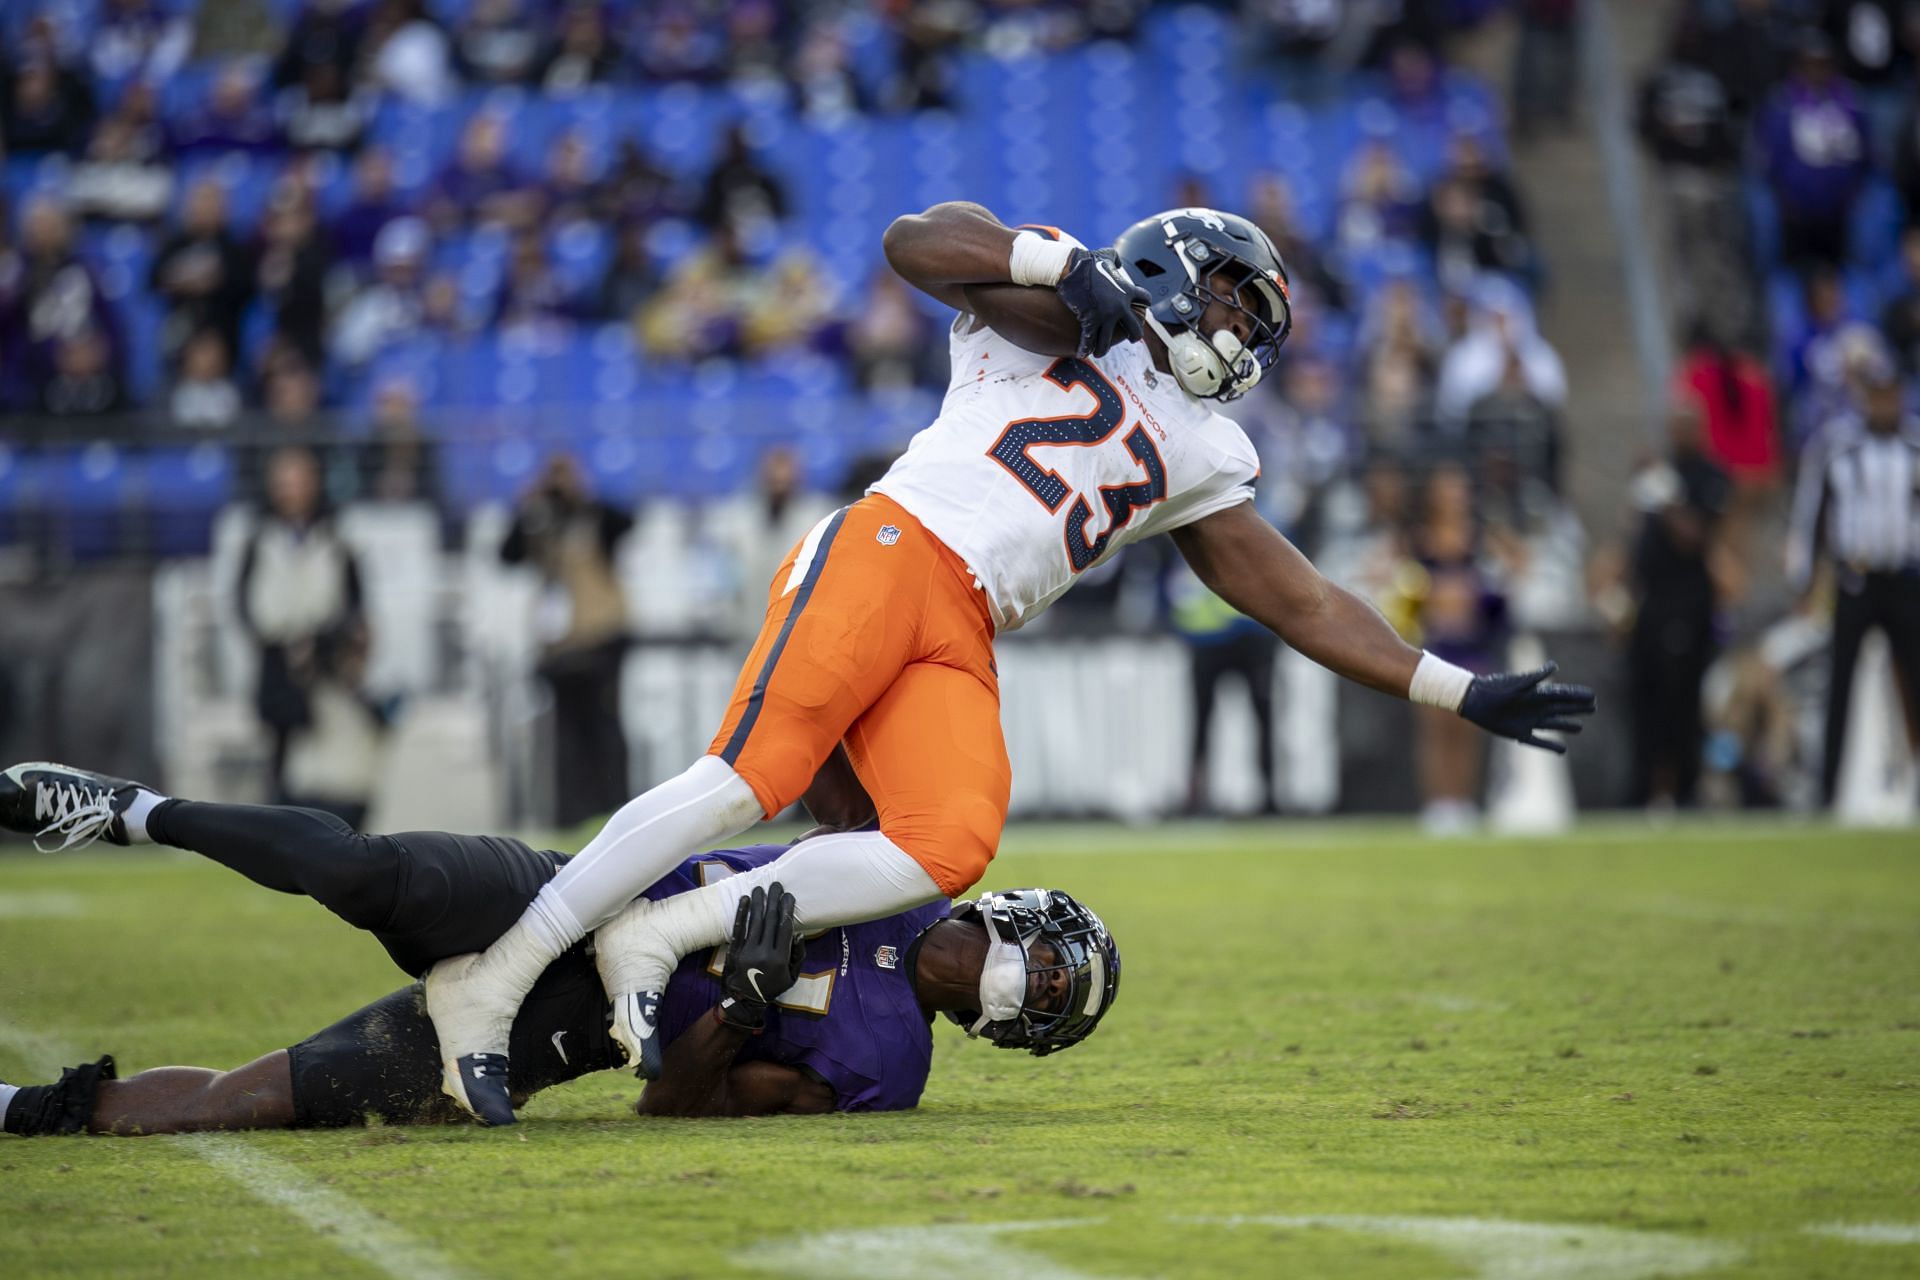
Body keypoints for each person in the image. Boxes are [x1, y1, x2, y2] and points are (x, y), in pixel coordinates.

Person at [426, 202, 1597, 1124]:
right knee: (748, 777)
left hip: (966, 617)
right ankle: (497, 977)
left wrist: (1456, 684)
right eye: (1237, 304)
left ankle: (660, 933)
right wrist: (1055, 264)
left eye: (1257, 322)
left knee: (949, 838)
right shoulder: (1052, 311)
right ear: (1178, 269)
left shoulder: (1204, 443)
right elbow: (912, 241)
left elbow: (1294, 594)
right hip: (894, 547)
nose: (1244, 336)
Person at [0, 757, 1118, 1131]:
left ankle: (18, 1110)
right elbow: (807, 728)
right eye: (1055, 946)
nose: (1035, 954)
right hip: (559, 900)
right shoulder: (898, 857)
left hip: (564, 1030)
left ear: (1017, 1018)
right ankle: (127, 810)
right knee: (357, 868)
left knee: (242, 1104)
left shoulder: (889, 1066)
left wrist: (739, 1005)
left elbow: (669, 1107)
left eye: (1054, 976)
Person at [1784, 364, 1920, 806]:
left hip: (1904, 577)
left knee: (1915, 683)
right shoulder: (1838, 444)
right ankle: (1828, 792)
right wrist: (1804, 578)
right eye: (1876, 394)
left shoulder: (1915, 443)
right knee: (1839, 684)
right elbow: (1811, 512)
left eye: (1890, 393)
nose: (1884, 403)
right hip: (1855, 578)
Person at [500, 455, 634, 827]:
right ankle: (572, 816)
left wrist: (582, 498)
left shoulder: (596, 518)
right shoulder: (541, 524)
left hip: (602, 638)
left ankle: (615, 811)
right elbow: (506, 554)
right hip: (561, 648)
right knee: (566, 737)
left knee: (605, 728)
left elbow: (626, 522)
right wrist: (528, 507)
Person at [1625, 403, 1731, 810]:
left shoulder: (1706, 476)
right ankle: (1643, 791)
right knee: (1644, 699)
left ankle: (1684, 790)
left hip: (1686, 605)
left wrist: (1665, 496)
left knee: (1681, 701)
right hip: (1650, 605)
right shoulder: (1662, 475)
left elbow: (1696, 537)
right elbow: (1637, 537)